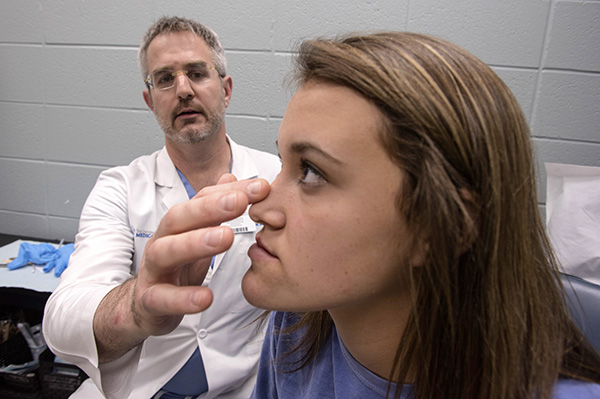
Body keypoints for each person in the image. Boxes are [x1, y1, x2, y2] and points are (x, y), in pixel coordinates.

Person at [240, 32, 600, 398]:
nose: (260, 210)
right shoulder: (299, 327)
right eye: (284, 163)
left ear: (446, 227)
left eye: (312, 172)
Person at [42, 16, 280, 399]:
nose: (183, 89)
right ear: (150, 101)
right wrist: (137, 308)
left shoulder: (274, 178)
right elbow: (61, 322)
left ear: (226, 89)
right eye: (165, 78)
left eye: (197, 73)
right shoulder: (120, 187)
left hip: (246, 387)